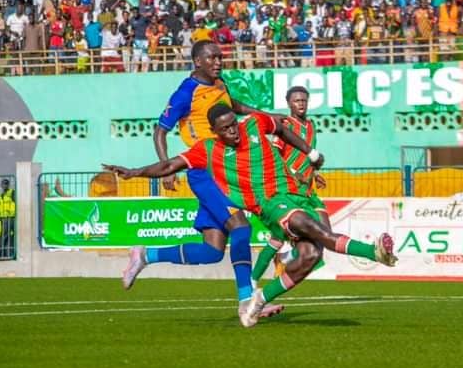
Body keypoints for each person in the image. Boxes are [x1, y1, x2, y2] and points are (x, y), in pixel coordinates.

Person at [104, 104, 397, 328]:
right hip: (270, 204)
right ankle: (373, 252)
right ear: (215, 132)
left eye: (234, 124)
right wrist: (134, 172)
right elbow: (169, 166)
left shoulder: (255, 124)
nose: (233, 131)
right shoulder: (206, 149)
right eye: (226, 129)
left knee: (307, 256)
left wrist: (310, 152)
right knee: (299, 226)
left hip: (297, 193)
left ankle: (257, 299)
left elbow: (281, 129)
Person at [148, 40, 282, 317]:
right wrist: (166, 168)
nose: (218, 62)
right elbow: (159, 131)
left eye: (220, 57)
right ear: (197, 61)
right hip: (204, 171)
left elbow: (235, 106)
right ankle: (247, 301)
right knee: (241, 228)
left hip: (224, 168)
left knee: (212, 250)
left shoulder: (220, 84)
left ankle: (146, 255)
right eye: (212, 58)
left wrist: (266, 117)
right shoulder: (186, 92)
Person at [252, 85, 330, 281]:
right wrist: (295, 173)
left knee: (322, 232)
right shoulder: (285, 126)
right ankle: (258, 279)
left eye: (304, 100)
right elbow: (275, 157)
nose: (301, 104)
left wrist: (314, 173)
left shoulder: (311, 126)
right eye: (296, 100)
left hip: (307, 188)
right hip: (289, 188)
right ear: (289, 103)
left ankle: (285, 263)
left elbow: (305, 156)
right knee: (282, 238)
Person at [0, 179, 16, 259]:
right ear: (1, 185)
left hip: (10, 217)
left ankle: (0, 254)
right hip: (3, 218)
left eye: (6, 184)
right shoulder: (1, 195)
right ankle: (5, 254)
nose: (4, 185)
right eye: (3, 184)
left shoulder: (12, 192)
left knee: (4, 236)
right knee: (5, 236)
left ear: (8, 185)